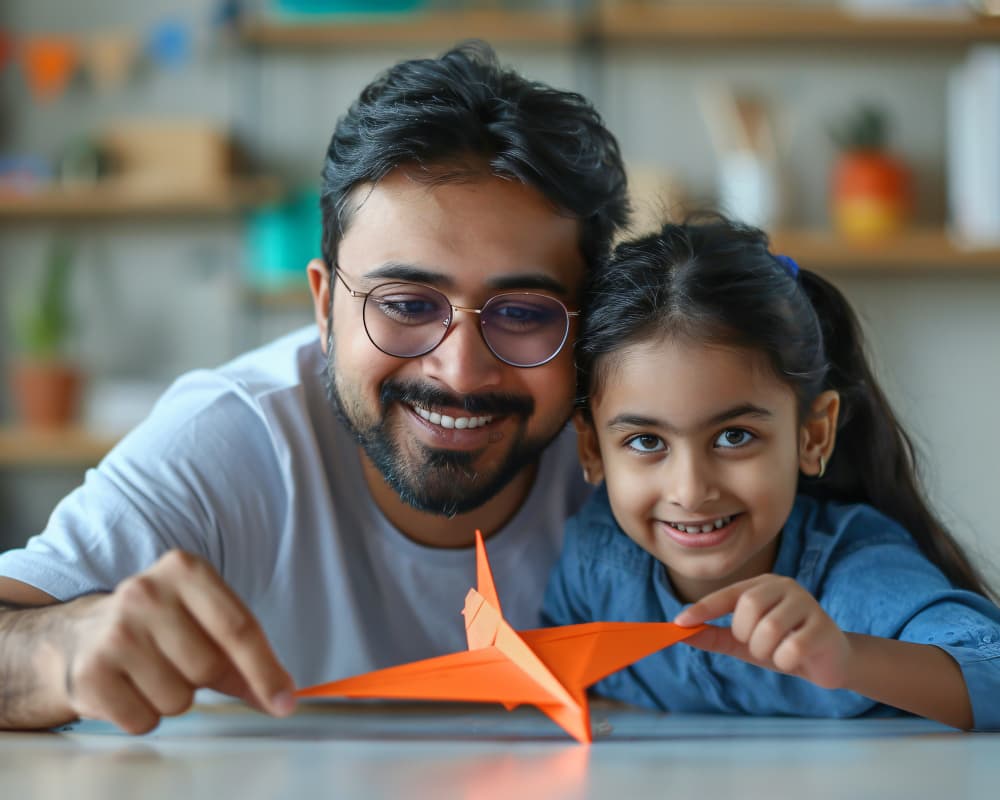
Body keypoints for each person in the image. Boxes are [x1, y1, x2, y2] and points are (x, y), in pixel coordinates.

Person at [0, 41, 629, 733]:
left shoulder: (645, 435)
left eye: (522, 314)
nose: (460, 371)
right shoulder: (234, 437)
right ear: (325, 306)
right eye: (407, 304)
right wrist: (62, 648)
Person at [542, 216, 1000, 730]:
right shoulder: (593, 568)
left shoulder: (854, 572)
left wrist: (846, 658)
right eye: (646, 441)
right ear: (593, 449)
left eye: (733, 436)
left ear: (813, 435)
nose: (691, 490)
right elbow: (553, 678)